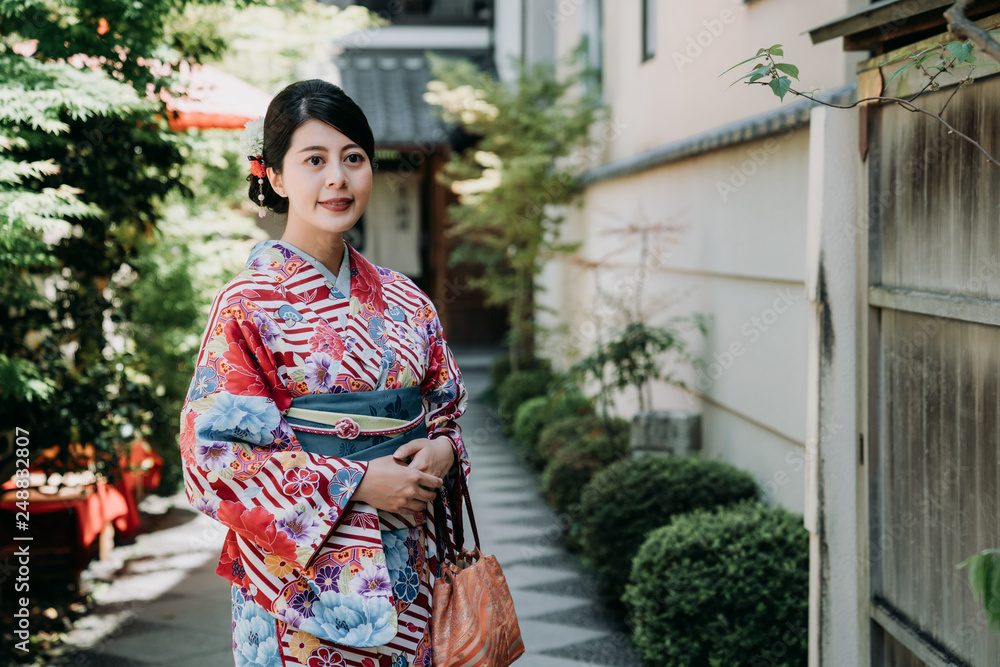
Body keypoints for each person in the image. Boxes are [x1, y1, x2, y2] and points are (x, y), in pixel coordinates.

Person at [178, 79, 470, 667]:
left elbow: (446, 412)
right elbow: (214, 459)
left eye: (353, 159)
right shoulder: (248, 302)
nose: (337, 178)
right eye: (314, 160)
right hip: (296, 589)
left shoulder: (406, 299)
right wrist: (358, 482)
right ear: (277, 177)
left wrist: (442, 449)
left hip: (409, 568)